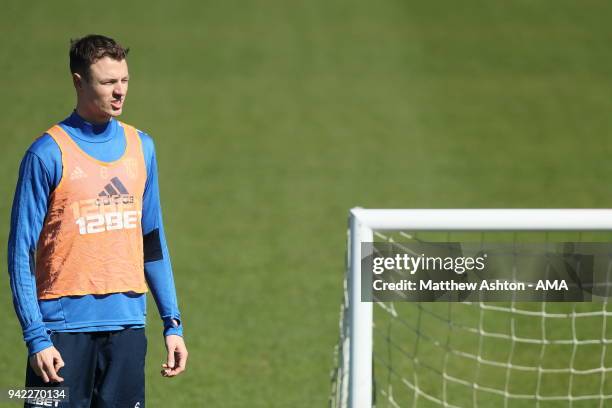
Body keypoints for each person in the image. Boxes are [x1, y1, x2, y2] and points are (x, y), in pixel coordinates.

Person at [7, 34, 188, 407]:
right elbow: (19, 253)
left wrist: (172, 323)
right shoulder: (46, 154)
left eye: (123, 80)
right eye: (107, 82)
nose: (119, 91)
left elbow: (152, 241)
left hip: (126, 328)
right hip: (61, 334)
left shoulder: (142, 147)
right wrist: (36, 337)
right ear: (79, 82)